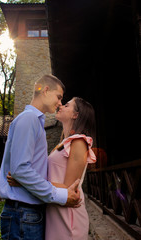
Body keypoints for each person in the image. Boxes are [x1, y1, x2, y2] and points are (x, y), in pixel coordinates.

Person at [0, 74, 81, 240]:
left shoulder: (36, 123)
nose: (59, 104)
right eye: (59, 97)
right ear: (45, 90)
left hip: (27, 213)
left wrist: (22, 180)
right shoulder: (29, 119)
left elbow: (24, 172)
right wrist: (61, 196)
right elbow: (20, 170)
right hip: (22, 213)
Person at [8, 97, 97, 240]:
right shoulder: (63, 143)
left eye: (67, 105)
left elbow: (69, 188)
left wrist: (25, 182)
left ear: (75, 115)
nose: (60, 106)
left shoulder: (79, 141)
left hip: (68, 217)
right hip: (54, 211)